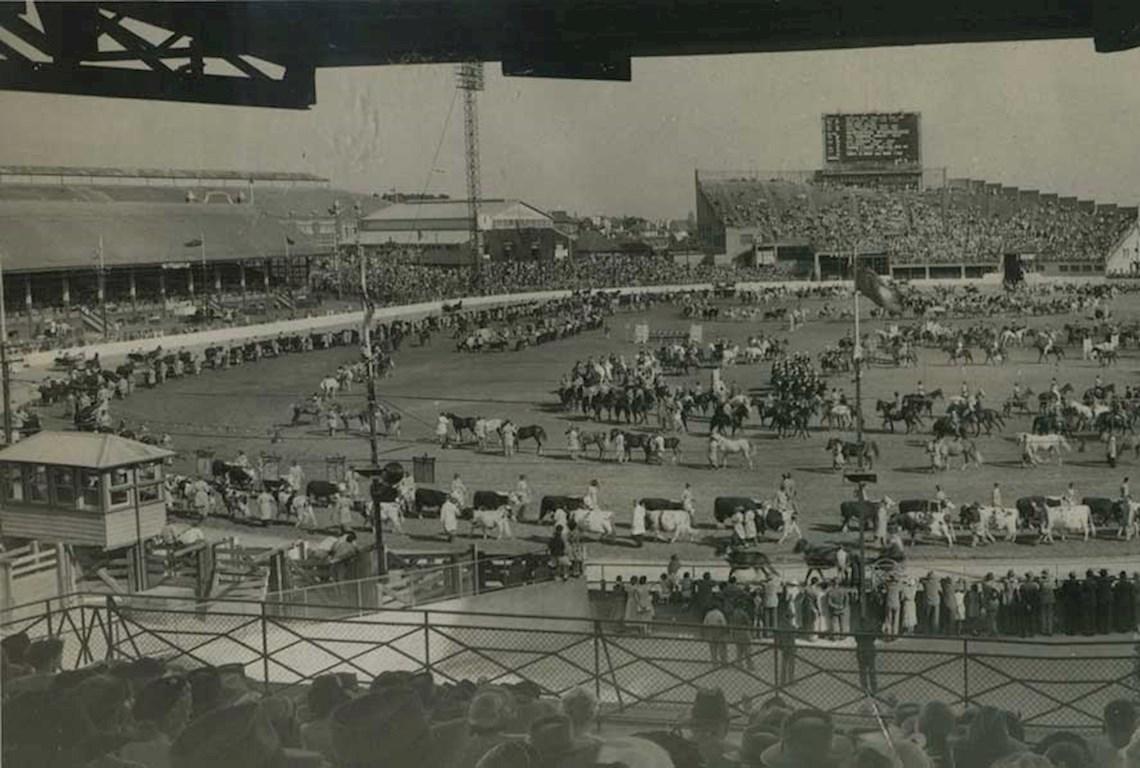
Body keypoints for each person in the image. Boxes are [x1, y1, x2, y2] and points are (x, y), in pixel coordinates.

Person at [854, 622, 879, 696]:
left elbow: (857, 639)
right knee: (871, 670)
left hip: (862, 650)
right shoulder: (871, 631)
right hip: (869, 650)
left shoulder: (858, 631)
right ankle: (873, 687)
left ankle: (865, 688)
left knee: (863, 671)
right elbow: (873, 638)